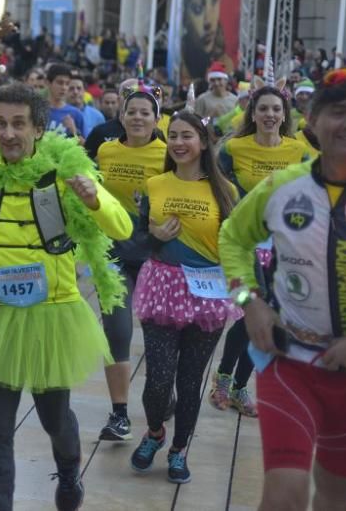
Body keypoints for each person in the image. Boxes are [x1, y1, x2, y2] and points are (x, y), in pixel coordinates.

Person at [0, 83, 132, 511]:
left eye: (18, 124)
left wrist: (93, 199)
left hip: (52, 313)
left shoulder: (65, 171)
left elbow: (121, 227)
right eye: (0, 124)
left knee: (55, 418)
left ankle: (69, 472)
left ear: (37, 127)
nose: (8, 133)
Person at [218, 65, 346, 511]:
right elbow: (233, 238)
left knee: (337, 492)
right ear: (312, 122)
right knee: (284, 494)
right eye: (338, 112)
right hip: (289, 362)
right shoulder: (283, 186)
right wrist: (251, 302)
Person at [130, 112, 240, 484]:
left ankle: (178, 451)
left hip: (207, 292)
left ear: (204, 142)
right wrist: (156, 235)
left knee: (190, 381)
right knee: (158, 381)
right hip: (162, 287)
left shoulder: (225, 190)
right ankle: (155, 431)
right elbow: (138, 240)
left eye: (187, 136)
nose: (178, 143)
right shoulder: (155, 184)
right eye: (173, 135)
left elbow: (234, 244)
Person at [209, 85, 309, 418]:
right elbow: (215, 188)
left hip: (285, 244)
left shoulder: (299, 152)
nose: (269, 115)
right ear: (252, 114)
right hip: (245, 242)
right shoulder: (233, 148)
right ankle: (225, 378)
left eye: (276, 110)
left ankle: (238, 385)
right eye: (263, 109)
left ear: (285, 116)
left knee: (271, 312)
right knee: (254, 304)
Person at [94, 87, 167, 441]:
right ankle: (119, 414)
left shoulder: (169, 154)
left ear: (157, 119)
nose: (137, 117)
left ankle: (161, 398)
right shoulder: (105, 150)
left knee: (158, 337)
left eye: (145, 113)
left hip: (157, 256)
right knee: (117, 331)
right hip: (113, 253)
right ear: (121, 117)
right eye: (131, 112)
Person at [181, 0, 235, 82]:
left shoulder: (226, 63)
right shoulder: (182, 62)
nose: (208, 21)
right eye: (197, 8)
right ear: (186, 18)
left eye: (214, 0)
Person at [44, 63, 84, 139]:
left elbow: (86, 147)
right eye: (60, 83)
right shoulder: (37, 111)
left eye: (67, 83)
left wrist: (73, 131)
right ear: (48, 83)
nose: (64, 87)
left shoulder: (76, 113)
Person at [65, 72, 105, 136]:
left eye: (79, 88)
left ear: (84, 91)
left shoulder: (97, 116)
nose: (75, 92)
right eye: (71, 88)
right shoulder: (59, 112)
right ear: (65, 91)